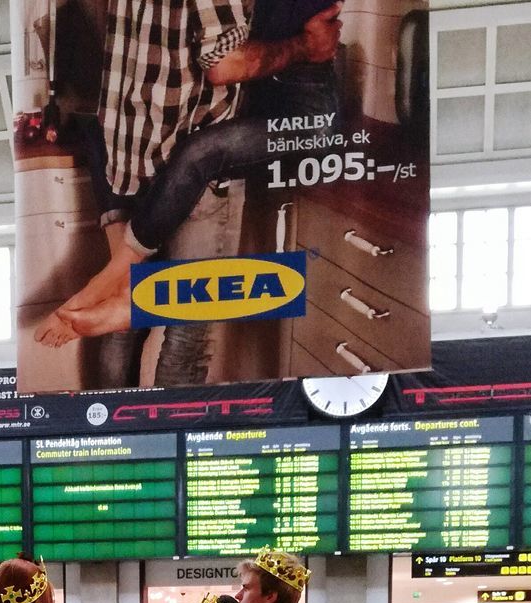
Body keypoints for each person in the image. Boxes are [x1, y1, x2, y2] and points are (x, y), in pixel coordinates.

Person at [37, 0, 342, 385]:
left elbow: (97, 106)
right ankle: (128, 298)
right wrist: (305, 46)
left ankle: (124, 307)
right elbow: (226, 63)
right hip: (193, 157)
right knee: (188, 332)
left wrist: (113, 218)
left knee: (128, 333)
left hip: (140, 154)